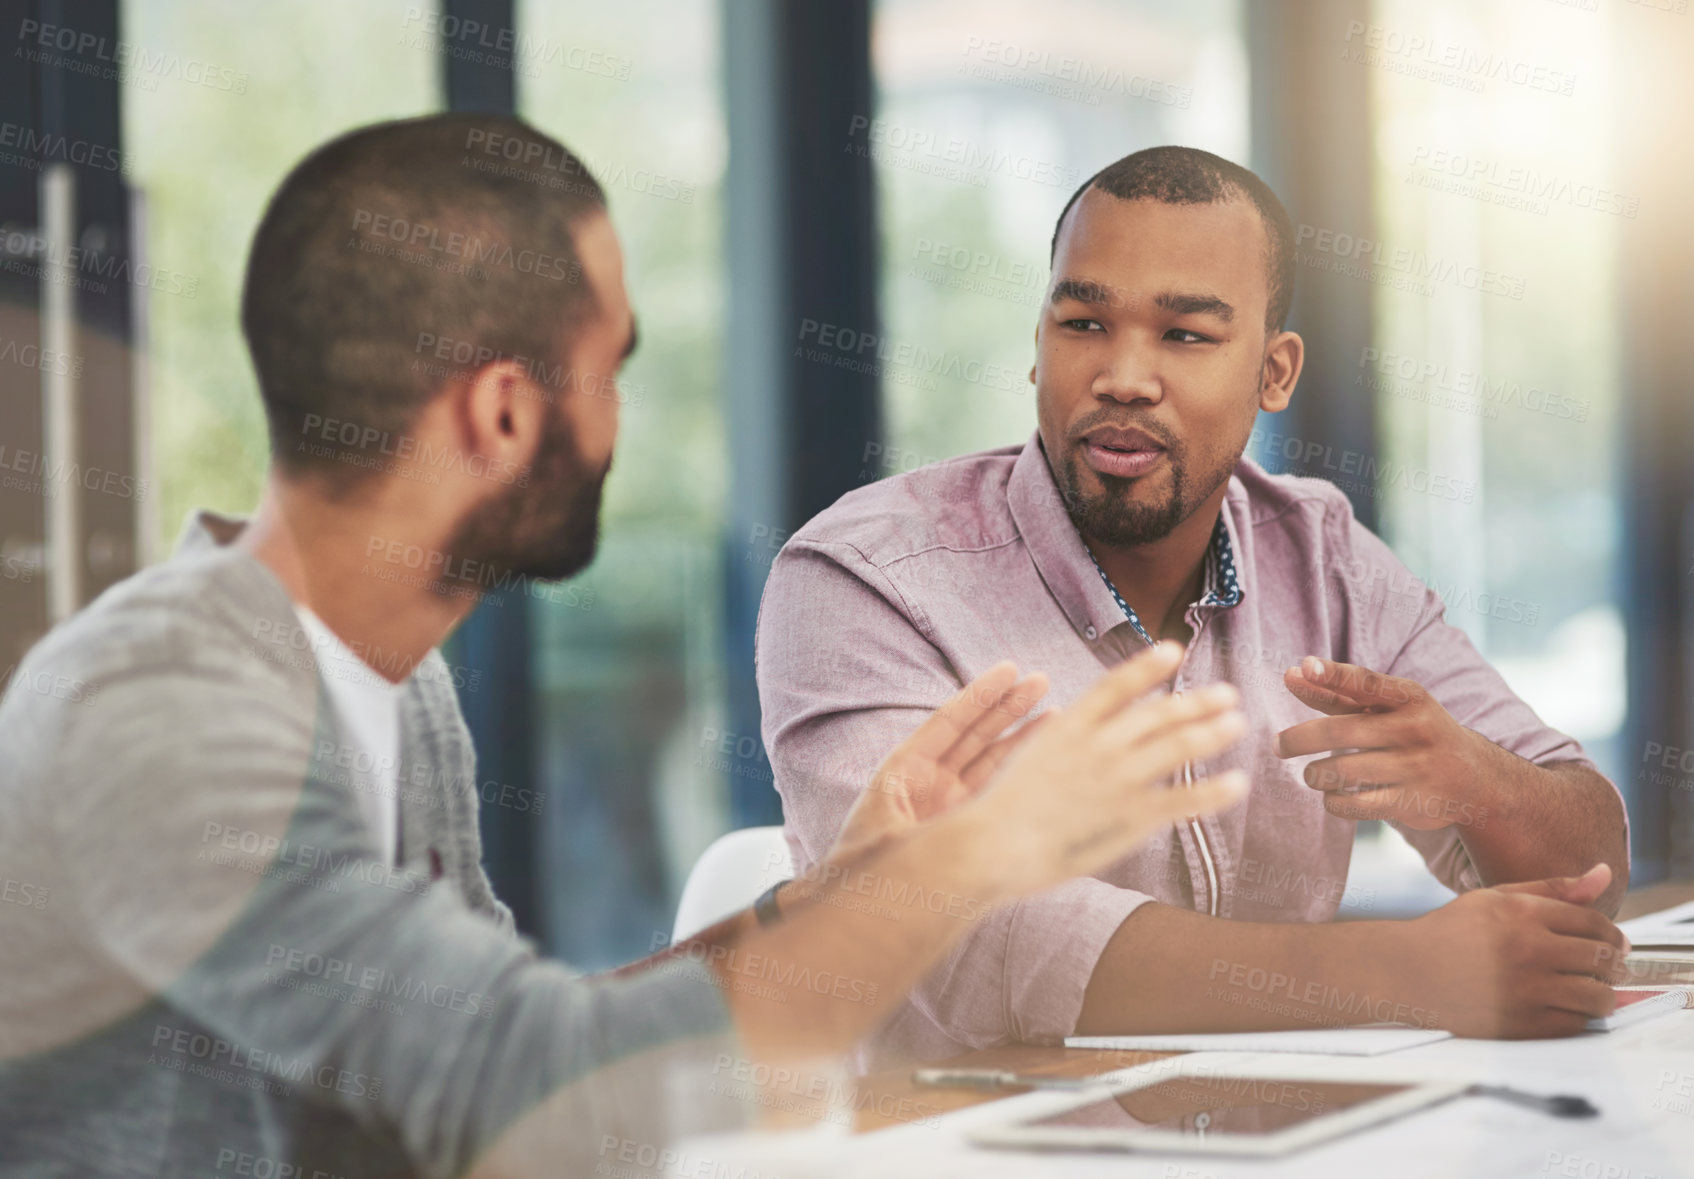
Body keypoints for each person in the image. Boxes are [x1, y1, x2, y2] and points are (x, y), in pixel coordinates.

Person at [0, 114, 1255, 1178]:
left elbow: (530, 1042)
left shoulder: (394, 691)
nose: (616, 427)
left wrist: (846, 889)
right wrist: (983, 859)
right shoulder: (165, 709)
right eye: (610, 373)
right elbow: (544, 1100)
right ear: (501, 410)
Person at [757, 145, 1632, 1068]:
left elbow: (1582, 877)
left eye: (1185, 335)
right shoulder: (863, 577)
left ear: (1275, 371)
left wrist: (1482, 781)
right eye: (1084, 322)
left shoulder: (1325, 555)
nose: (1124, 377)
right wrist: (1396, 970)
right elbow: (952, 941)